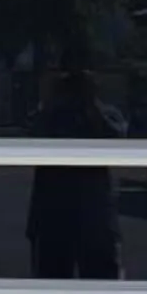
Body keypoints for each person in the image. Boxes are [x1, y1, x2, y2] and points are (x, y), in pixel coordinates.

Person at [25, 69, 125, 279]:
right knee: (52, 287)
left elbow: (117, 136)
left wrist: (92, 106)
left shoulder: (104, 114)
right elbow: (31, 136)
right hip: (53, 216)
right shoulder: (50, 115)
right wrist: (51, 102)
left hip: (94, 216)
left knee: (102, 285)